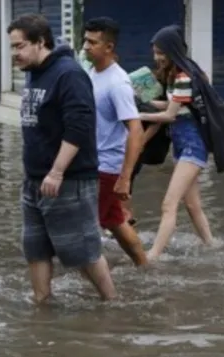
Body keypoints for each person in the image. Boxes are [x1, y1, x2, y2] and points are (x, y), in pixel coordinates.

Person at [7, 14, 117, 303]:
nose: (14, 54)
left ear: (41, 42)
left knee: (83, 251)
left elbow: (79, 128)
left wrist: (56, 172)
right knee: (35, 248)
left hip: (68, 180)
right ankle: (42, 303)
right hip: (34, 181)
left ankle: (112, 303)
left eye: (19, 46)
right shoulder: (33, 71)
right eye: (12, 47)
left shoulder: (69, 74)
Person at [138, 28, 214, 260]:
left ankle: (153, 256)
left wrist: (138, 116)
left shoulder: (183, 77)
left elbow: (170, 115)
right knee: (192, 205)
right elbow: (175, 106)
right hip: (182, 146)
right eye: (154, 52)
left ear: (172, 50)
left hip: (193, 145)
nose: (156, 58)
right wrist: (144, 102)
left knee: (168, 204)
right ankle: (212, 246)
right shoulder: (179, 75)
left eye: (160, 52)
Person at [82, 17, 147, 267]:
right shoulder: (91, 72)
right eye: (85, 40)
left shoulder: (117, 82)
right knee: (115, 221)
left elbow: (136, 129)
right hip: (93, 162)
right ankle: (145, 267)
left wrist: (125, 178)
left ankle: (95, 287)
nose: (86, 46)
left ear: (108, 47)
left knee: (83, 230)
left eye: (92, 42)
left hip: (106, 167)